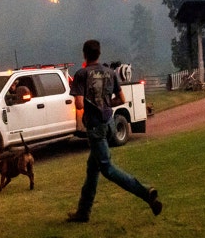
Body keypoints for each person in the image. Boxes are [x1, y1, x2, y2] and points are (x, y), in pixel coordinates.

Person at [66, 39, 162, 223]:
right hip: (109, 123)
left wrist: (88, 105)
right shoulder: (110, 73)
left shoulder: (81, 74)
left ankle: (145, 192)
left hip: (95, 128)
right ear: (99, 54)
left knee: (108, 169)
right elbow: (122, 98)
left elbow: (78, 103)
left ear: (84, 54)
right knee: (92, 169)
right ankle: (83, 212)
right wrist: (106, 104)